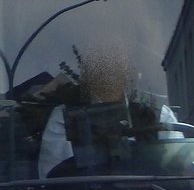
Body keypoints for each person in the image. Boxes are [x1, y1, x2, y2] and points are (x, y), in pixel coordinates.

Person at [37, 43, 180, 178]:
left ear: (131, 75)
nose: (109, 75)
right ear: (87, 75)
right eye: (101, 67)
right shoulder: (64, 117)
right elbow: (54, 181)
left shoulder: (159, 114)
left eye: (117, 67)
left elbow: (177, 169)